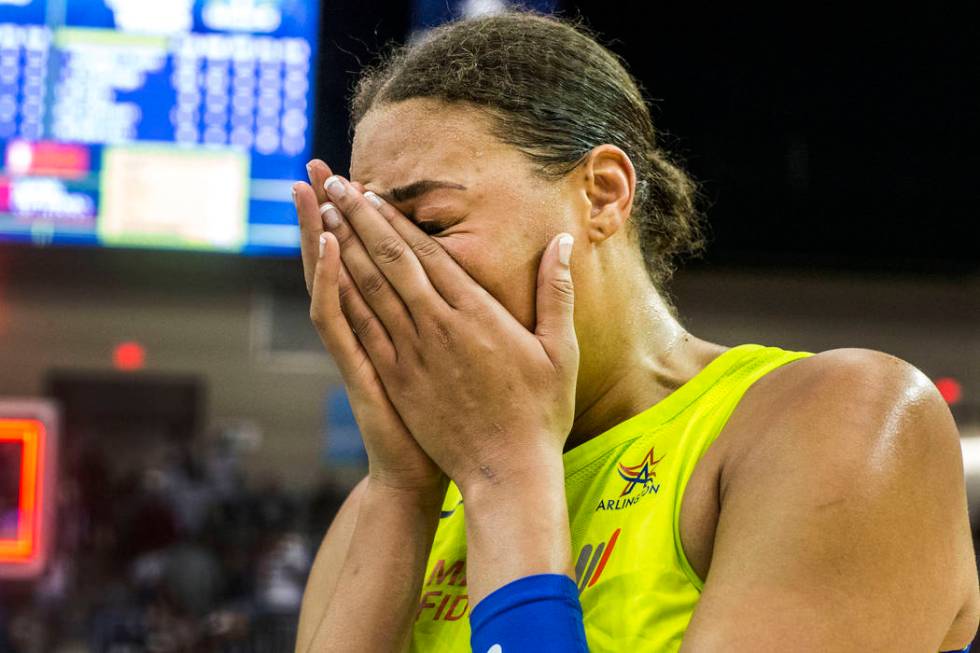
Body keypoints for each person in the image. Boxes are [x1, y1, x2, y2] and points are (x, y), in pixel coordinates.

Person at [290, 11, 979, 652]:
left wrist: (506, 472)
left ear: (604, 193)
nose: (391, 271)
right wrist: (402, 491)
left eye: (432, 223)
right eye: (363, 235)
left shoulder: (841, 419)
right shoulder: (383, 506)